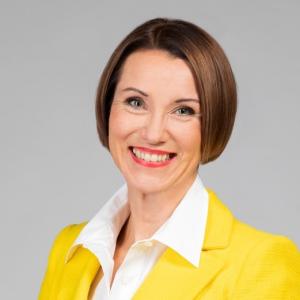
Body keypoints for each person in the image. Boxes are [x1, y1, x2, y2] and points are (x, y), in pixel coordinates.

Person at [38, 17, 300, 299]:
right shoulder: (70, 249)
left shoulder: (259, 263)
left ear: (213, 123)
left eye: (183, 110)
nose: (153, 133)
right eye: (135, 102)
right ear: (107, 109)